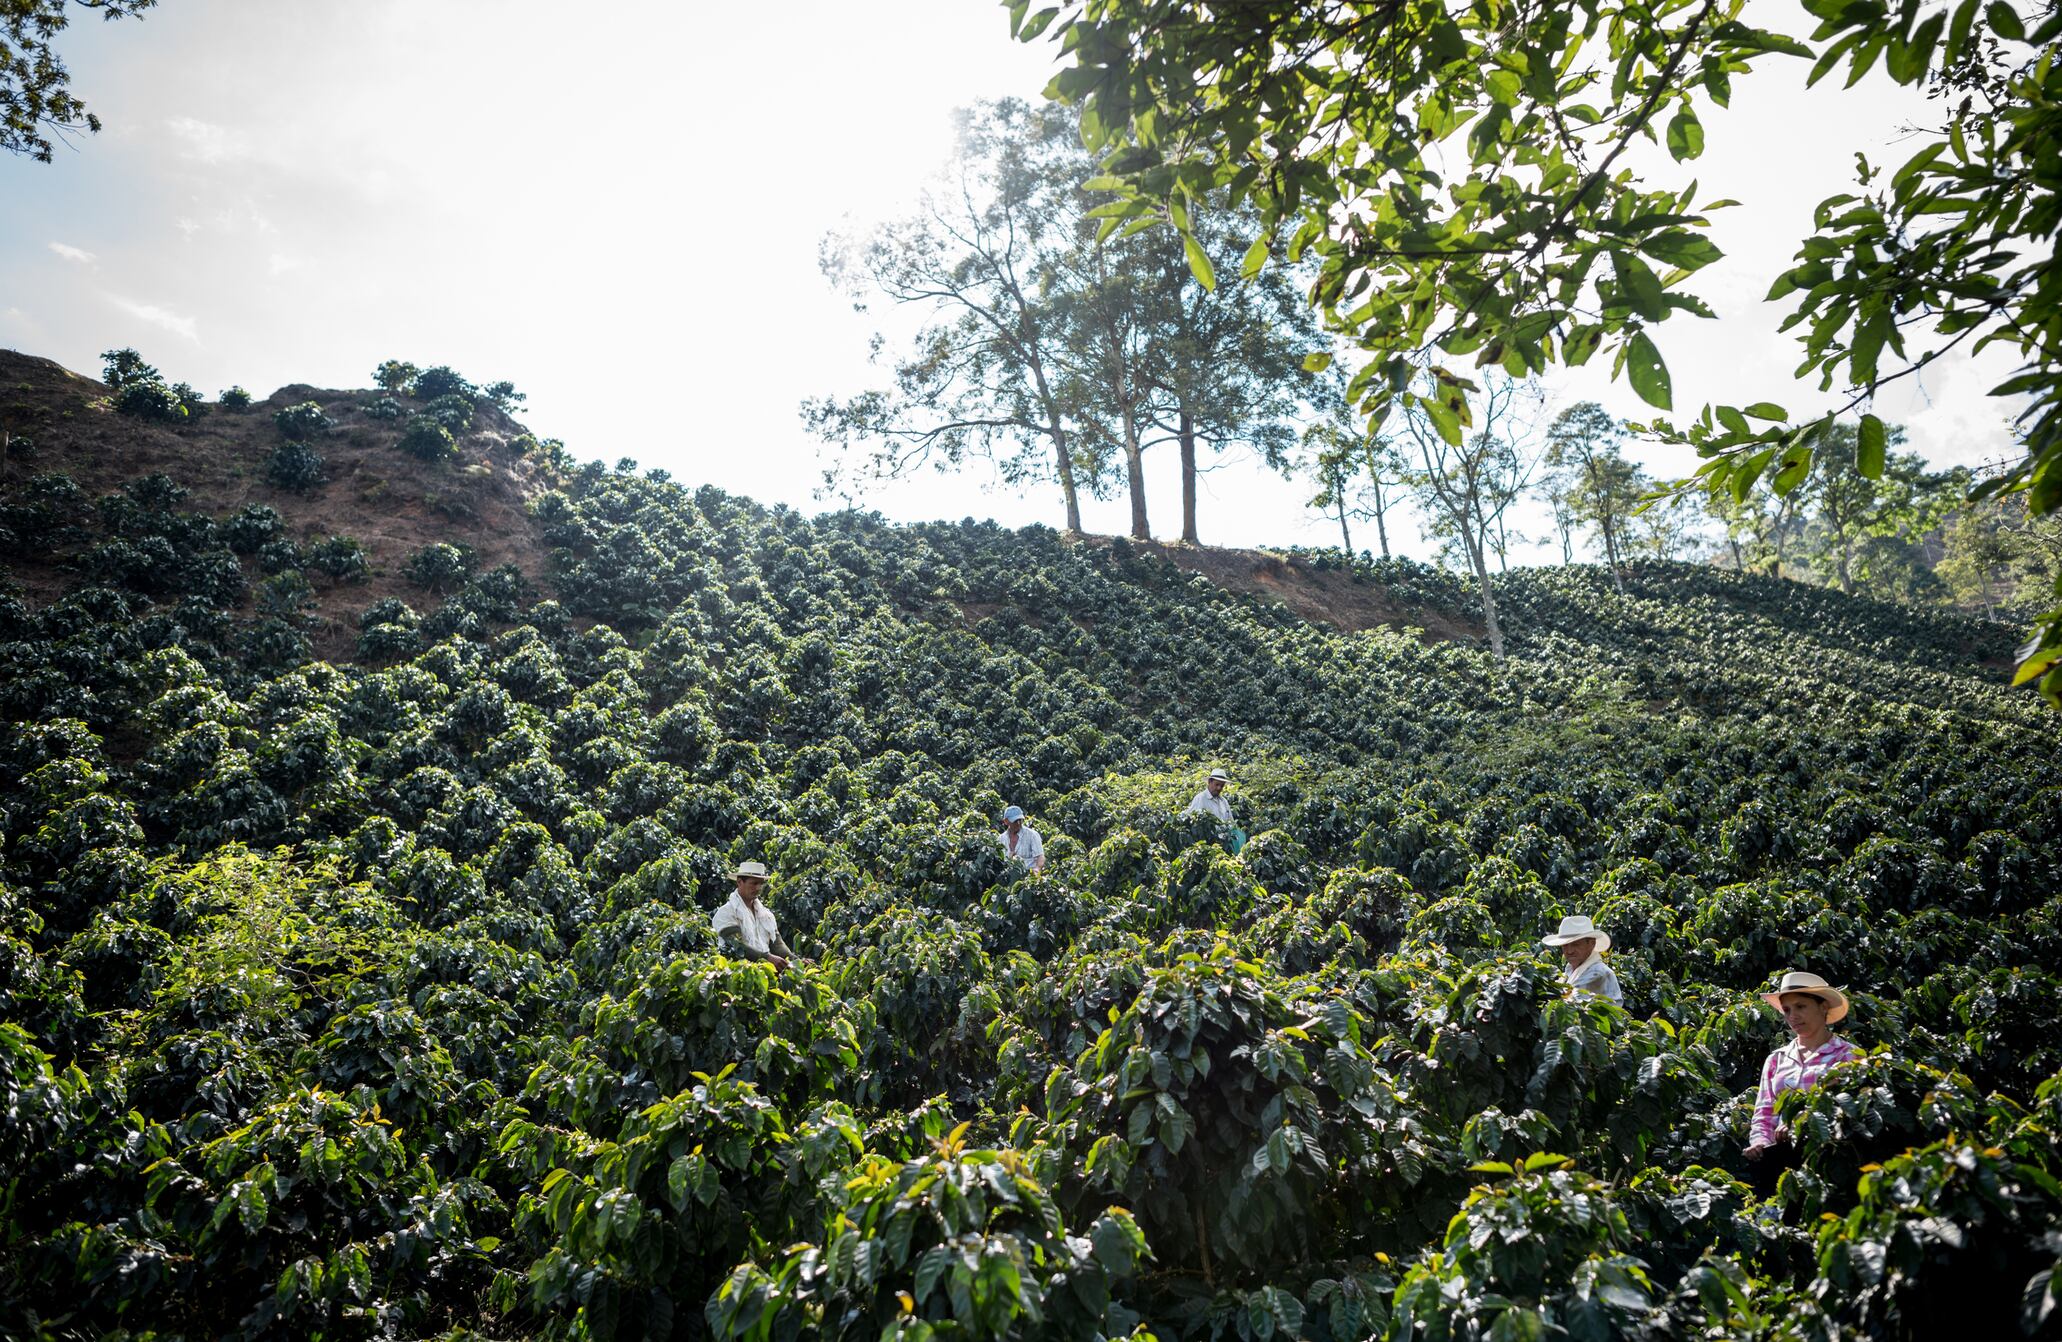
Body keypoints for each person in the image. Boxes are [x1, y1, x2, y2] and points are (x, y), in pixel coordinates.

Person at [1745, 970, 1858, 1182]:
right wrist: (1759, 1142)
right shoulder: (1777, 1059)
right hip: (1781, 1165)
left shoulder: (1847, 1055)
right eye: (1787, 1010)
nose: (1792, 1016)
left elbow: (1846, 1109)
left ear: (1823, 1006)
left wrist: (1801, 1122)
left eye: (1800, 1007)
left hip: (1828, 1159)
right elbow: (1764, 1111)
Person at [712, 860, 805, 973]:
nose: (758, 888)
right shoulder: (726, 912)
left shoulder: (766, 915)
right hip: (737, 973)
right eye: (754, 883)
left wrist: (797, 961)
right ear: (740, 882)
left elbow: (777, 945)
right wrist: (767, 958)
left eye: (761, 884)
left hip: (764, 974)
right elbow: (736, 945)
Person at [1541, 914, 1622, 1005]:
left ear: (1592, 944)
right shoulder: (1569, 970)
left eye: (1576, 944)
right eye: (1565, 945)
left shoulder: (1599, 972)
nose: (1570, 951)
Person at [999, 805, 1046, 871]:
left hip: (1028, 876)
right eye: (1015, 821)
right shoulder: (1001, 839)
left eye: (1020, 820)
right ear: (1006, 821)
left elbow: (1040, 856)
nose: (1018, 823)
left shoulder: (1032, 835)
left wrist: (1037, 869)